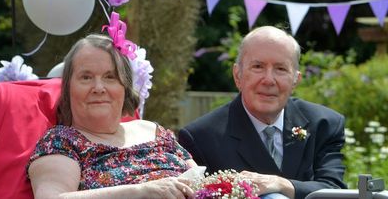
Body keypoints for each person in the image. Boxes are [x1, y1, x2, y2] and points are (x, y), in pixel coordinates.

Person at [178, 26, 347, 199]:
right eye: (258, 66)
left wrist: (282, 184)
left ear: (296, 80)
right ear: (238, 75)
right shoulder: (201, 138)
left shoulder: (325, 124)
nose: (268, 80)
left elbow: (333, 190)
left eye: (280, 69)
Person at [27, 34, 196, 199]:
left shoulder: (153, 130)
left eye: (110, 77)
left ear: (125, 87)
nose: (99, 87)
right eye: (86, 77)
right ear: (68, 88)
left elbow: (203, 181)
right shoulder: (61, 142)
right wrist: (142, 191)